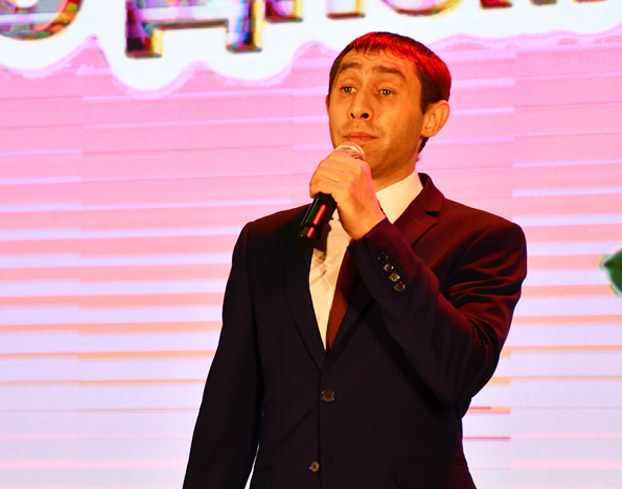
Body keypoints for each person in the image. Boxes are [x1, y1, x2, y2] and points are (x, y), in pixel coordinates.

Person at [183, 31, 527, 489]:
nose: (359, 108)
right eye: (347, 89)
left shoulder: (483, 238)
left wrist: (373, 229)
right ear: (328, 105)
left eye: (385, 91)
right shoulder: (264, 242)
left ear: (432, 118)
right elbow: (229, 410)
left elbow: (459, 372)